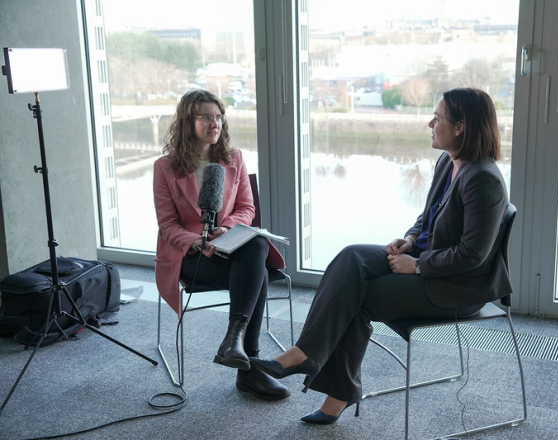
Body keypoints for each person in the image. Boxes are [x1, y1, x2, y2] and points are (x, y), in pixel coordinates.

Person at [250, 87, 512, 423]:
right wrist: (410, 238)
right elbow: (429, 215)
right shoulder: (448, 162)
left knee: (357, 296)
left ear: (460, 127)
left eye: (438, 117)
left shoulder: (484, 180)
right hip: (425, 258)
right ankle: (307, 357)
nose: (430, 122)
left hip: (457, 286)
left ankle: (328, 382)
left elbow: (472, 255)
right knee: (351, 258)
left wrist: (417, 266)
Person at [153, 89, 290, 401]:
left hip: (230, 248)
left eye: (218, 116)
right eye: (205, 117)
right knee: (260, 274)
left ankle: (234, 340)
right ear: (188, 122)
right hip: (190, 256)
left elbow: (246, 209)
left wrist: (226, 228)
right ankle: (249, 365)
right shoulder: (165, 168)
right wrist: (197, 241)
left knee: (256, 243)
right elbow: (167, 225)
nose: (214, 123)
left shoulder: (234, 158)